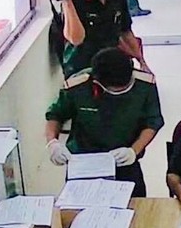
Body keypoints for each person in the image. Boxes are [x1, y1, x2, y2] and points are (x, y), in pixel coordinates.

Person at [45, 47, 164, 197]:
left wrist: (133, 151)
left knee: (135, 208)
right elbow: (55, 115)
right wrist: (53, 143)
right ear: (97, 82)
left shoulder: (145, 86)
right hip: (84, 161)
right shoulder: (78, 86)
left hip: (124, 161)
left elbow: (153, 122)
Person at [52, 0, 151, 79]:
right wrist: (66, 1)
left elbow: (126, 32)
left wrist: (142, 62)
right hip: (81, 67)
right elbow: (76, 39)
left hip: (111, 63)